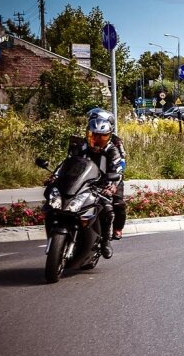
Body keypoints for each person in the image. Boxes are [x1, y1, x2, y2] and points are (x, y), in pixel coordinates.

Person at [48, 108, 126, 258]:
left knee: (113, 206)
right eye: (93, 136)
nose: (96, 140)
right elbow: (67, 162)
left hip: (106, 181)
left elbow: (119, 167)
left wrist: (112, 184)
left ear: (108, 136)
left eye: (101, 137)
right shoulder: (82, 146)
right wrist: (55, 176)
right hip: (83, 179)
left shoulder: (112, 149)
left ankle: (106, 241)